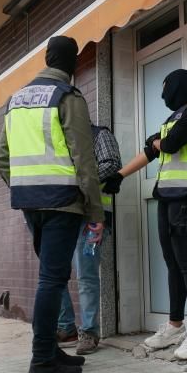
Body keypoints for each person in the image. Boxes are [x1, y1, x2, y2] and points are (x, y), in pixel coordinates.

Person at [0, 36, 104, 373]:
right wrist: (95, 211)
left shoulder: (16, 100)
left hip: (31, 203)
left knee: (51, 277)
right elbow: (83, 158)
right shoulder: (67, 97)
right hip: (62, 202)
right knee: (51, 279)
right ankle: (42, 361)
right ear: (72, 65)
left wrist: (26, 187)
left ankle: (52, 351)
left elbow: (2, 159)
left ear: (46, 59)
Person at [106, 69, 187, 360]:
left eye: (165, 88)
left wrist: (158, 142)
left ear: (178, 87)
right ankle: (175, 326)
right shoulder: (171, 119)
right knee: (172, 264)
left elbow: (168, 145)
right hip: (167, 198)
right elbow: (150, 151)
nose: (163, 95)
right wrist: (119, 175)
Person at [57, 124, 121, 354]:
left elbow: (112, 164)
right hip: (64, 216)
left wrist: (79, 182)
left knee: (86, 274)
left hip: (93, 218)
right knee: (55, 274)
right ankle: (66, 328)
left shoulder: (98, 135)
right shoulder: (58, 140)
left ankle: (89, 332)